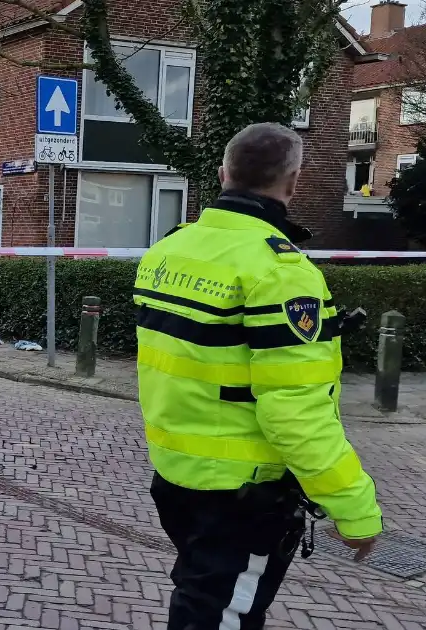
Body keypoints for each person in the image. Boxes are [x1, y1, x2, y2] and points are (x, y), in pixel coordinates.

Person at [133, 123, 382, 630]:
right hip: (243, 494)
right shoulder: (280, 272)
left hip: (175, 478)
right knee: (219, 616)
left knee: (201, 598)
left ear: (222, 174)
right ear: (292, 182)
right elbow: (295, 410)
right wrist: (354, 507)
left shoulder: (167, 251)